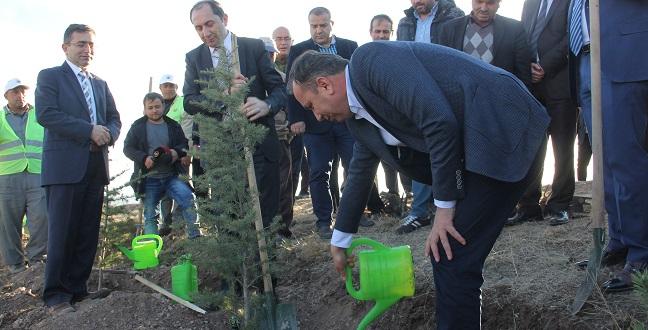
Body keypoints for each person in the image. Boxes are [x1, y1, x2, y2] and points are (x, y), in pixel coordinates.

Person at [289, 42, 548, 328]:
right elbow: (360, 172)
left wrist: (443, 209)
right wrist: (340, 240)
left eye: (311, 105)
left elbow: (439, 122)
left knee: (451, 253)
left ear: (325, 85)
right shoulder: (359, 118)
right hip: (483, 145)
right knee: (453, 256)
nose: (316, 116)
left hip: (503, 127)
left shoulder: (370, 62)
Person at [35, 24, 121, 314]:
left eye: (91, 45)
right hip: (63, 169)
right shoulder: (50, 77)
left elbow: (113, 118)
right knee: (63, 232)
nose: (87, 50)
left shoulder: (100, 83)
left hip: (95, 167)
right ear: (65, 48)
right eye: (81, 44)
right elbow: (47, 114)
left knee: (87, 233)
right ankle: (56, 295)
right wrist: (89, 131)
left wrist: (108, 132)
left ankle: (78, 289)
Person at [183, 1, 285, 228]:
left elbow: (280, 90)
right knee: (229, 223)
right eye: (198, 28)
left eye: (209, 24)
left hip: (259, 145)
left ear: (224, 19)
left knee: (263, 217)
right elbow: (189, 101)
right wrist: (224, 95)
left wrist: (266, 105)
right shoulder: (194, 58)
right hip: (221, 152)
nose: (205, 33)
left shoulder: (253, 47)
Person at [569, 0, 648, 292]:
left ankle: (641, 252)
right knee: (605, 160)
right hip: (586, 59)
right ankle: (620, 239)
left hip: (623, 55)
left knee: (625, 157)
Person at [286, 7, 369, 239]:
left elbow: (358, 81)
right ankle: (324, 220)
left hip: (347, 121)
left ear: (331, 24)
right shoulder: (299, 50)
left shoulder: (349, 46)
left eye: (323, 25)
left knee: (355, 166)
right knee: (319, 171)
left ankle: (356, 213)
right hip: (315, 125)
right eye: (314, 26)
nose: (318, 30)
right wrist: (296, 119)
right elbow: (291, 89)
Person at [396, 0, 464, 234]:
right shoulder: (405, 22)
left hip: (447, 89)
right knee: (420, 148)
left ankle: (456, 207)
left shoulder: (454, 15)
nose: (417, 1)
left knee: (452, 149)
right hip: (415, 92)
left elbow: (458, 55)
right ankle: (419, 211)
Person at [508, 0, 577, 226]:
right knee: (532, 148)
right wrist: (526, 65)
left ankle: (559, 205)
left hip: (560, 85)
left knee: (563, 147)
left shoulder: (570, 2)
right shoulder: (530, 3)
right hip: (531, 87)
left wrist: (545, 66)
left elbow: (572, 36)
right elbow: (523, 35)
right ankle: (528, 206)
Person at [123, 92, 201, 239]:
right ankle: (151, 247)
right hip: (149, 178)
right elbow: (127, 148)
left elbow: (183, 144)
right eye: (150, 107)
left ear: (163, 106)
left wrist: (175, 152)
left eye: (157, 107)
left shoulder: (173, 125)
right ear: (145, 109)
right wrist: (143, 157)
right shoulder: (137, 127)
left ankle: (195, 237)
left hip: (172, 176)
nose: (154, 110)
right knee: (151, 215)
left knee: (188, 199)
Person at [0, 78, 47, 275]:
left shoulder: (41, 114)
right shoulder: (1, 117)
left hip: (38, 173)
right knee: (8, 222)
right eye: (15, 92)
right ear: (6, 96)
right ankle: (16, 265)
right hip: (8, 177)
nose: (20, 96)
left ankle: (37, 260)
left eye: (22, 91)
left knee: (41, 218)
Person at [438, 0, 532, 85]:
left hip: (500, 97)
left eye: (490, 3)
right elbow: (443, 69)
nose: (484, 8)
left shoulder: (514, 29)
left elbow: (523, 74)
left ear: (499, 3)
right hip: (461, 98)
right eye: (479, 1)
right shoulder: (450, 28)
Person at [260, 36, 294, 238]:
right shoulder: (247, 78)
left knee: (283, 184)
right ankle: (263, 229)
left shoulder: (282, 77)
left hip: (280, 136)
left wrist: (289, 129)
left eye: (270, 53)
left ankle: (282, 229)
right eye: (264, 54)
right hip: (255, 140)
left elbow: (290, 105)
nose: (268, 57)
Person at [157, 74, 192, 236]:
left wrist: (186, 152)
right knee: (164, 190)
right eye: (166, 86)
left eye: (172, 86)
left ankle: (179, 225)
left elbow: (188, 129)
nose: (169, 88)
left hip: (179, 153)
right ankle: (166, 223)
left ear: (176, 87)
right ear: (160, 88)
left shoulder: (183, 103)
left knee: (180, 187)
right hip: (162, 157)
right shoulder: (156, 104)